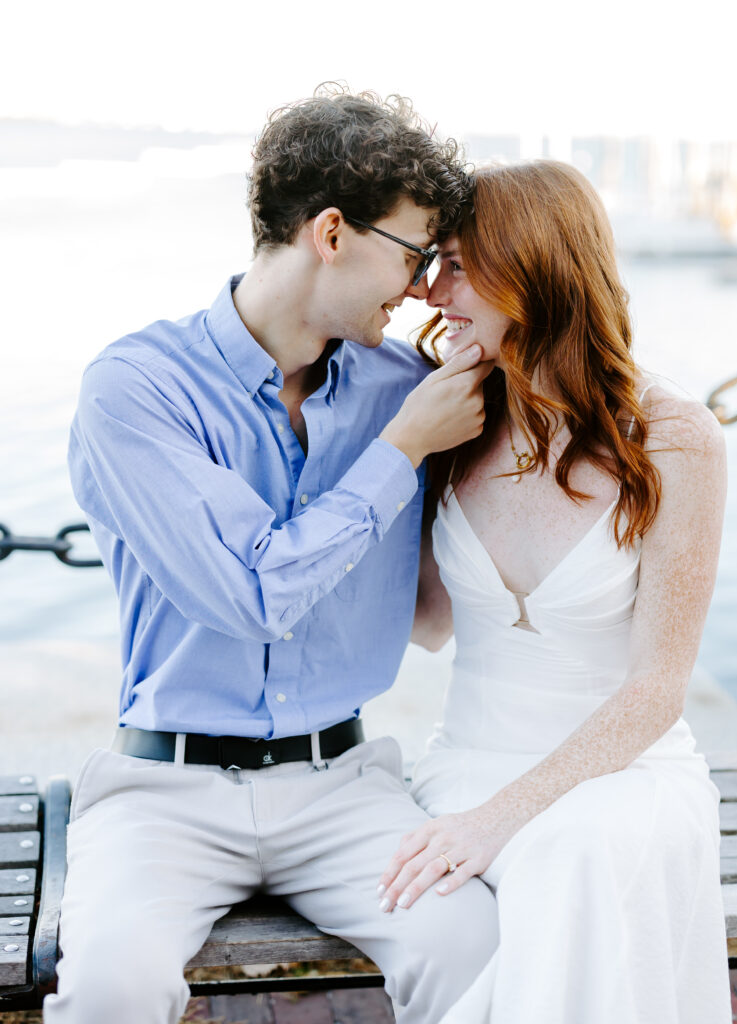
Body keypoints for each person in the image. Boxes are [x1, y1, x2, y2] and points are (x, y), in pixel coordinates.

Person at [46, 87, 500, 1024]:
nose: (419, 287)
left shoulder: (405, 389)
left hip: (345, 788)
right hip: (163, 793)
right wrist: (403, 453)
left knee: (475, 947)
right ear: (332, 232)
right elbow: (255, 594)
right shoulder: (136, 389)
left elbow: (429, 621)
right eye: (414, 254)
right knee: (110, 989)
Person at [377, 161, 732, 1023]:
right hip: (467, 761)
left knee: (574, 854)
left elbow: (657, 690)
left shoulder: (675, 439)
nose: (430, 290)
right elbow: (426, 629)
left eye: (457, 263)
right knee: (501, 885)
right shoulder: (450, 420)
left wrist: (496, 822)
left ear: (530, 264)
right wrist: (396, 457)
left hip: (625, 770)